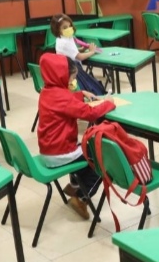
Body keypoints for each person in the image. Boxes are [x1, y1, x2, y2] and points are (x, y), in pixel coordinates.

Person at [37, 53, 115, 220]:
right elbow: (90, 113)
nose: (73, 82)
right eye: (71, 77)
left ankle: (74, 185)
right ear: (61, 76)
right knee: (101, 159)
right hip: (60, 153)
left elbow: (65, 102)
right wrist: (109, 103)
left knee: (84, 148)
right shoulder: (63, 97)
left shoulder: (47, 91)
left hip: (48, 150)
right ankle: (81, 198)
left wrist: (80, 94)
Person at [51, 13, 106, 96]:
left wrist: (81, 49)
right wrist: (91, 52)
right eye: (64, 28)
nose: (69, 29)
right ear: (57, 30)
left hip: (69, 68)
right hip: (73, 70)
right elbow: (79, 57)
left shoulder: (63, 38)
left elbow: (69, 52)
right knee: (89, 88)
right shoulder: (64, 42)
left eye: (70, 26)